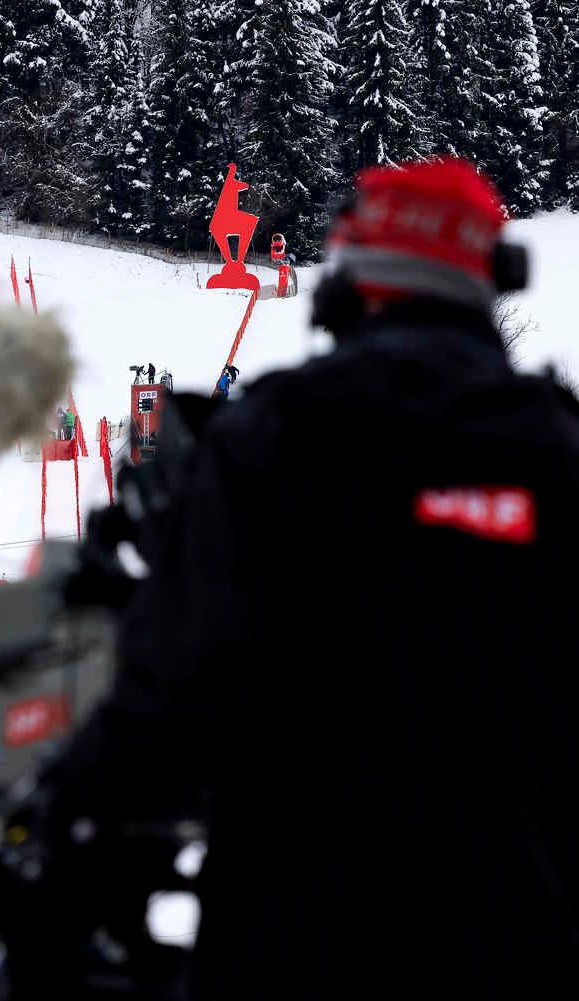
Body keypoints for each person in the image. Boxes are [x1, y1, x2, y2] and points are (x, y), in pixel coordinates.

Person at [36, 157, 579, 1000]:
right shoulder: (562, 453)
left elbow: (176, 694)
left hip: (302, 944)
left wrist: (60, 808)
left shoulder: (274, 437)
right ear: (489, 281)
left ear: (350, 279)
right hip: (531, 947)